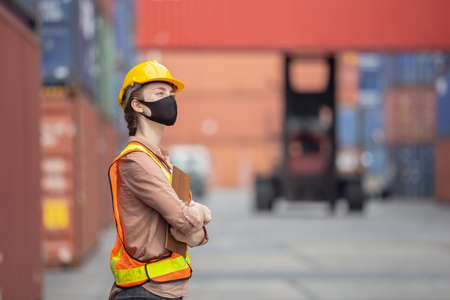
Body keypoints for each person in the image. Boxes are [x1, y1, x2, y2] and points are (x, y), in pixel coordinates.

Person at [108, 61, 212, 300]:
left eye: (171, 94)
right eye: (159, 93)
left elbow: (193, 236)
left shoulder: (162, 161)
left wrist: (194, 226)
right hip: (144, 291)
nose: (169, 100)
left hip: (164, 289)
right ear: (138, 106)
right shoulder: (135, 161)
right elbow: (185, 222)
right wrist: (202, 213)